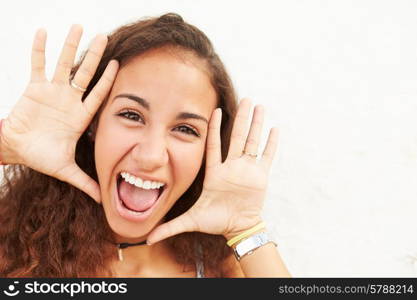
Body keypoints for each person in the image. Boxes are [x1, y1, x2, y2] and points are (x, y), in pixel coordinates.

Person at [0, 13, 290, 277]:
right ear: (92, 123)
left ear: (207, 151)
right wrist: (5, 146)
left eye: (185, 129)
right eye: (131, 115)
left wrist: (246, 227)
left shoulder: (220, 266)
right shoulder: (12, 248)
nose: (151, 156)